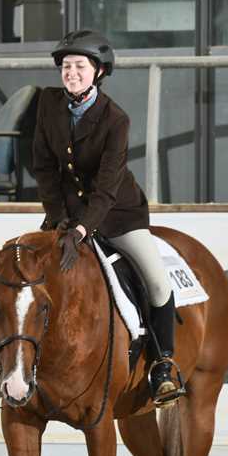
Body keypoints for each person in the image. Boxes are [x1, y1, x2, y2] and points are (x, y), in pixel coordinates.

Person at [34, 29, 182, 407]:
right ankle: (12, 364)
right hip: (65, 215)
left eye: (80, 67)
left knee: (156, 281)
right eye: (66, 67)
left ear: (98, 72)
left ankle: (163, 366)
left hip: (117, 215)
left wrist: (83, 229)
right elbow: (45, 168)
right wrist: (59, 218)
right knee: (25, 276)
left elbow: (106, 188)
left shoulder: (116, 119)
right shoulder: (48, 103)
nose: (71, 73)